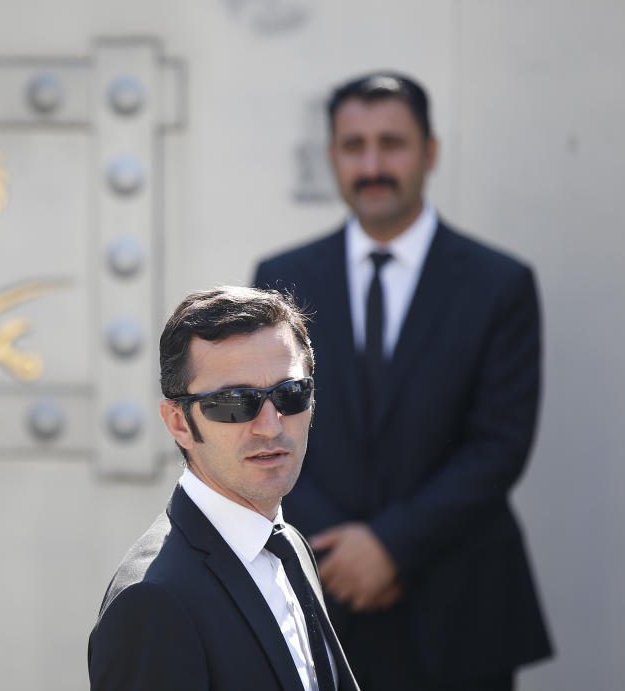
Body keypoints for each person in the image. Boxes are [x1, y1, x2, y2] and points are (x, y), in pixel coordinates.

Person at [254, 72, 553, 690]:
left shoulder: (500, 285)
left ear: (430, 152)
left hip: (462, 604)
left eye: (392, 143)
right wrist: (336, 558)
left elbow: (499, 446)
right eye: (353, 146)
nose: (372, 165)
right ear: (333, 155)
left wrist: (390, 546)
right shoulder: (280, 279)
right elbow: (268, 422)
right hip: (320, 597)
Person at [88, 286, 360, 691]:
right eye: (234, 402)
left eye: (290, 394)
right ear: (179, 423)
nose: (270, 425)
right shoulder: (152, 603)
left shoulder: (288, 546)